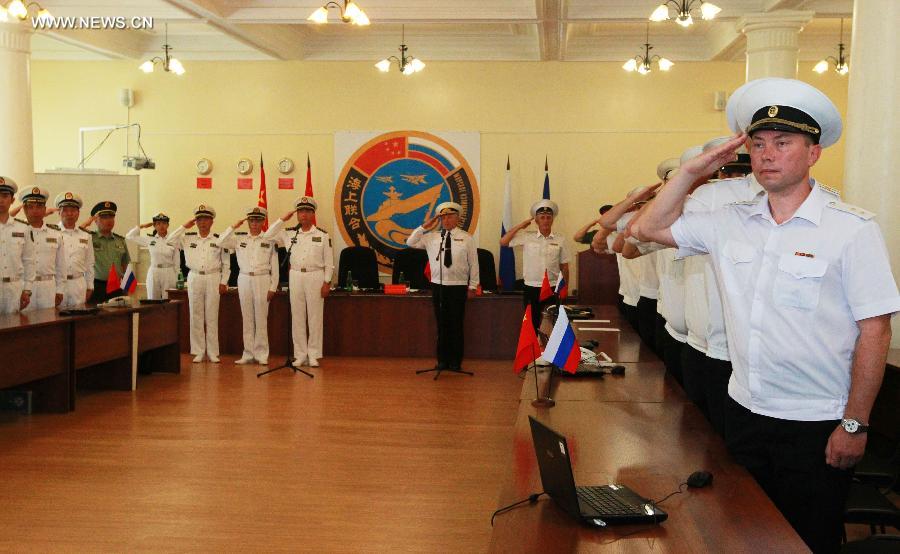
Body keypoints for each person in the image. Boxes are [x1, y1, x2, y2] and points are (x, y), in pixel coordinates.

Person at [636, 77, 900, 554]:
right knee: (741, 534)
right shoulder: (730, 221)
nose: (767, 154)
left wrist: (856, 424)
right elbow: (647, 227)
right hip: (746, 411)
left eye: (783, 143)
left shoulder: (851, 229)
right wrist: (694, 171)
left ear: (814, 153)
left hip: (816, 423)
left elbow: (875, 332)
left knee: (806, 541)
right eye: (757, 144)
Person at [406, 201, 479, 372]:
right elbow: (410, 242)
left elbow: (473, 264)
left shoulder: (466, 238)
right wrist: (424, 226)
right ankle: (442, 360)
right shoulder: (432, 237)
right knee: (441, 324)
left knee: (456, 324)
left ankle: (455, 361)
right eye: (443, 216)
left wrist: (473, 286)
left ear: (457, 218)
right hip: (439, 286)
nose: (446, 220)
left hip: (458, 286)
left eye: (450, 216)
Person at [265, 197, 333, 368]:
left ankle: (314, 354)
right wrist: (282, 219)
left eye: (308, 211)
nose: (304, 214)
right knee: (298, 316)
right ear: (297, 214)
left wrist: (326, 282)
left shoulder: (322, 235)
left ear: (313, 214)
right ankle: (300, 354)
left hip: (315, 276)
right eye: (301, 211)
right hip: (295, 276)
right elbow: (267, 236)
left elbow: (329, 262)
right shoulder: (289, 233)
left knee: (315, 316)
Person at [167, 204, 230, 363]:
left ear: (212, 222)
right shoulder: (187, 238)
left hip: (213, 277)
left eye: (206, 219)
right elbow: (169, 240)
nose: (202, 222)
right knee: (195, 314)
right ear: (195, 222)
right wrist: (183, 226)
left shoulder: (219, 239)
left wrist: (224, 281)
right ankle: (198, 350)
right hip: (194, 277)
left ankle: (213, 351)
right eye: (199, 219)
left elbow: (226, 263)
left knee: (211, 314)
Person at [219, 207, 279, 366]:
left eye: (258, 220)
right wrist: (233, 227)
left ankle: (261, 354)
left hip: (262, 279)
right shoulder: (239, 239)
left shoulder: (269, 240)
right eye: (251, 220)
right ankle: (248, 353)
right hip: (244, 279)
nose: (254, 224)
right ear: (248, 222)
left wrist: (273, 286)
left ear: (263, 222)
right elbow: (220, 242)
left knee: (261, 318)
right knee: (247, 318)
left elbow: (275, 265)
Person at [501, 199, 571, 333]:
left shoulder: (560, 239)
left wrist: (564, 289)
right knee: (531, 326)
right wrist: (520, 226)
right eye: (542, 217)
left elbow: (565, 266)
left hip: (552, 287)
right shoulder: (527, 236)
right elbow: (503, 242)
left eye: (548, 217)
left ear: (552, 220)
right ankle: (534, 353)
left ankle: (549, 353)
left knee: (553, 325)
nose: (545, 220)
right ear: (537, 220)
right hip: (531, 287)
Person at [18, 187, 64, 311]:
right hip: (23, 287)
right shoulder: (16, 232)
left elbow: (61, 265)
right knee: (23, 324)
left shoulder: (56, 233)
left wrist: (60, 290)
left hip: (48, 286)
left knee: (48, 325)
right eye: (31, 207)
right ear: (24, 209)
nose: (35, 210)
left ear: (44, 209)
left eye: (39, 207)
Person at [81, 201, 130, 304]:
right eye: (104, 217)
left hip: (116, 286)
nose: (109, 220)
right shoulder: (89, 238)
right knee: (95, 317)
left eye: (111, 217)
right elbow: (75, 233)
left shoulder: (120, 240)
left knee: (117, 318)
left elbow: (125, 265)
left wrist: (127, 287)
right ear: (96, 220)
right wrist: (88, 221)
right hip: (96, 286)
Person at [0, 177, 34, 314]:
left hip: (14, 289)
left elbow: (29, 261)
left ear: (12, 200)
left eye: (5, 196)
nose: (0, 200)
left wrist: (27, 289)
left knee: (13, 331)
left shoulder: (23, 228)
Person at [53, 192, 94, 307]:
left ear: (78, 213)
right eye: (65, 210)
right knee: (56, 318)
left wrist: (90, 286)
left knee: (78, 320)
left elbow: (89, 263)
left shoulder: (86, 235)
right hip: (58, 284)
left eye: (73, 210)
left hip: (79, 284)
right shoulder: (52, 233)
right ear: (59, 212)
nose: (69, 214)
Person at [126, 213, 179, 299]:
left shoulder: (173, 239)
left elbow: (177, 261)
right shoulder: (150, 239)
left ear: (168, 225)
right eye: (158, 224)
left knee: (169, 299)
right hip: (154, 271)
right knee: (152, 298)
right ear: (154, 226)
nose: (161, 226)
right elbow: (129, 236)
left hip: (169, 271)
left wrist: (176, 277)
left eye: (164, 223)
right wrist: (141, 226)